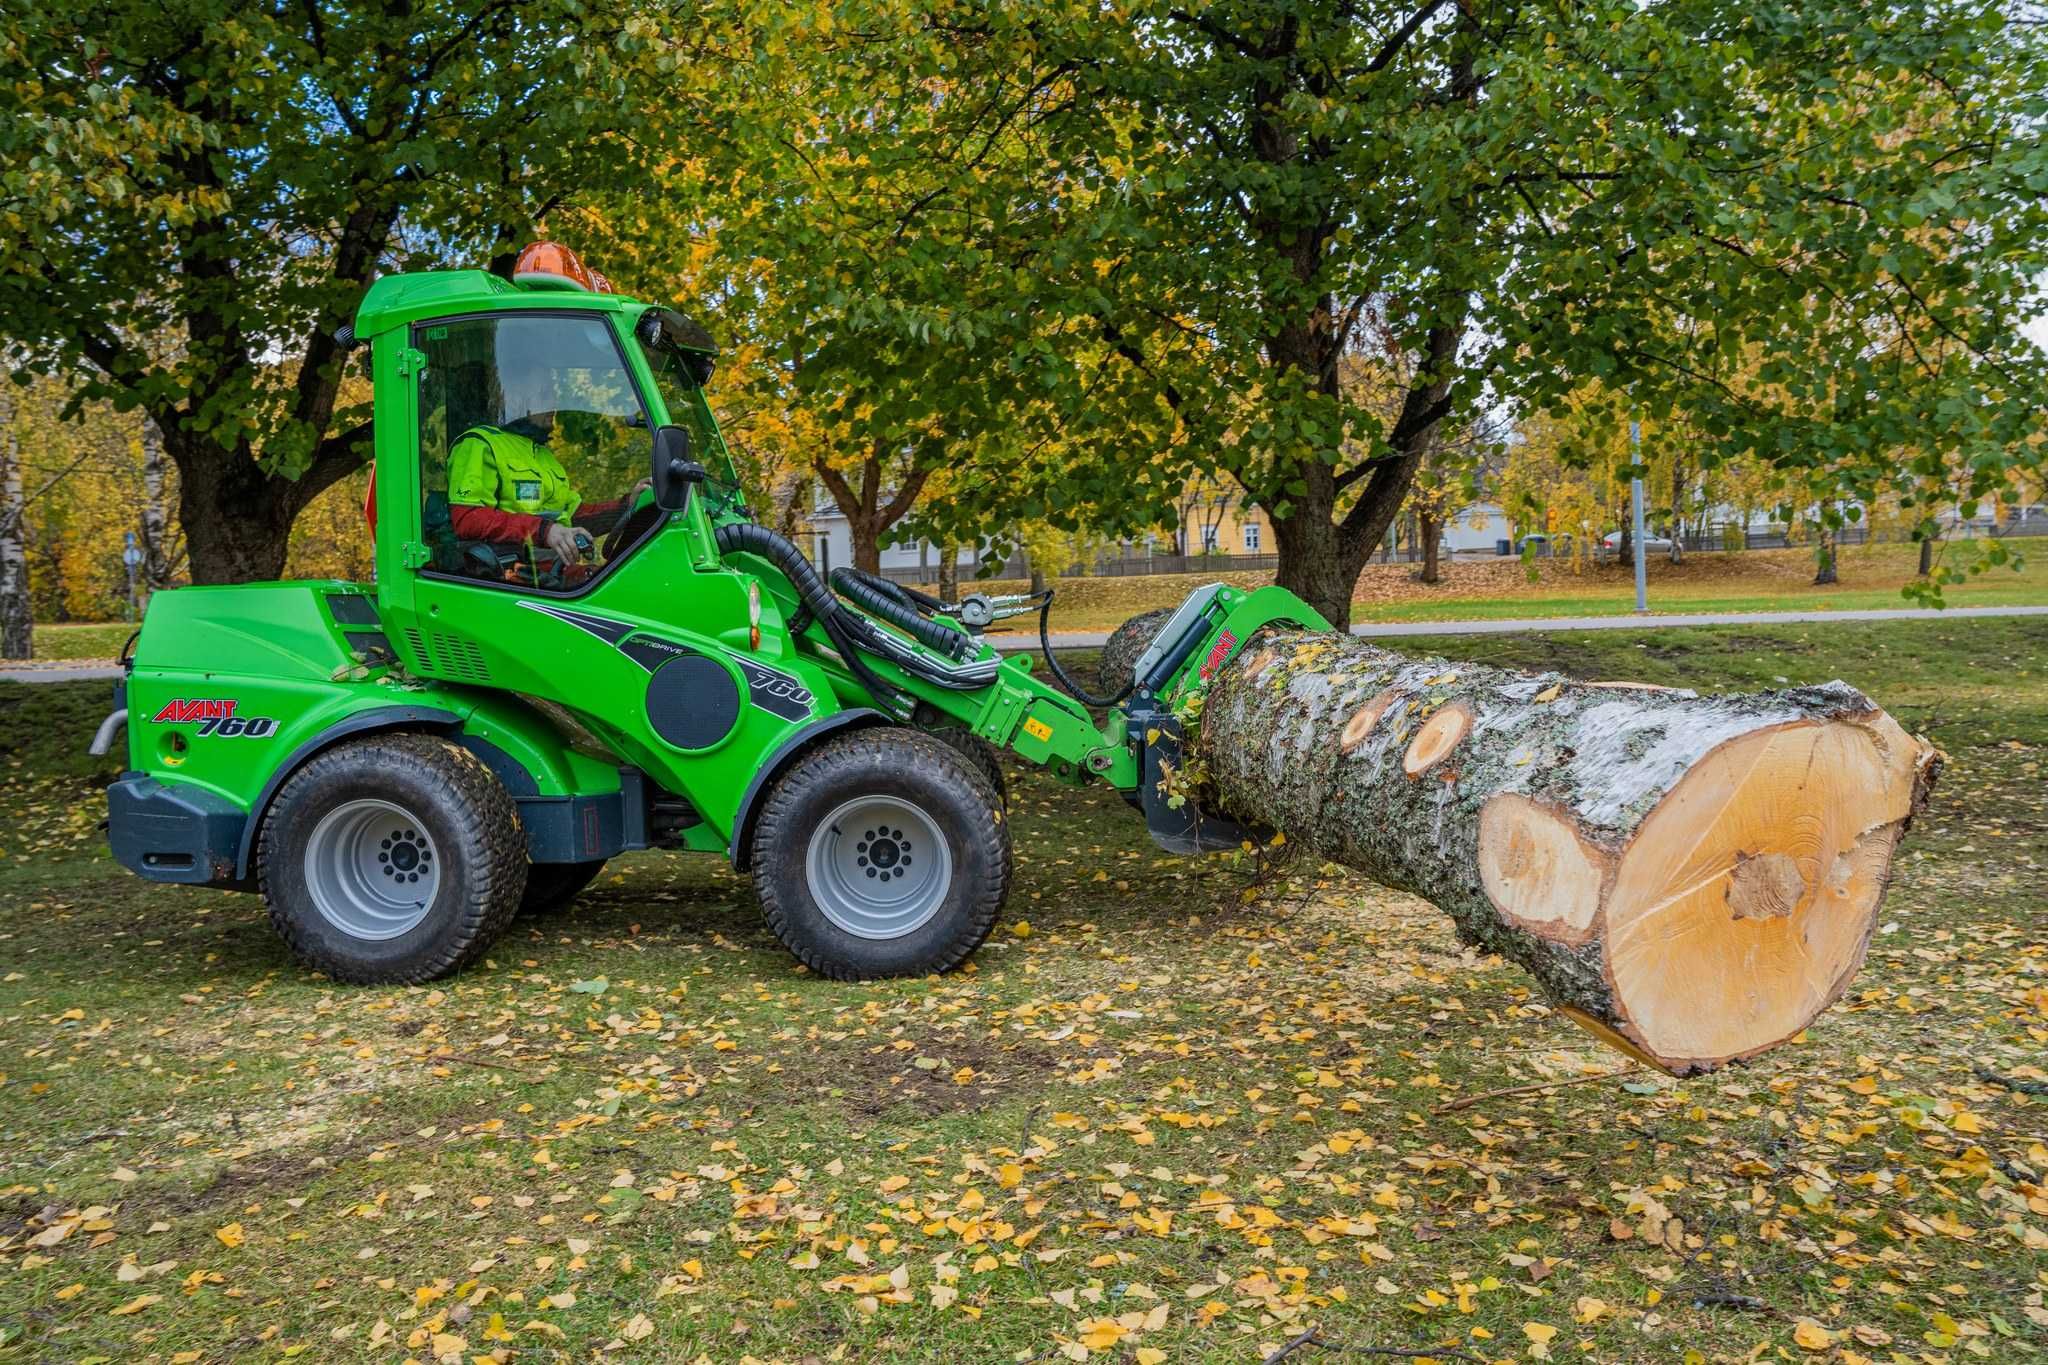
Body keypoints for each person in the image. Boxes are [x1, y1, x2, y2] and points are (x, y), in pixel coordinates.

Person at [446, 366, 648, 572]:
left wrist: (628, 504)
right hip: (508, 577)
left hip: (551, 572)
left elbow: (573, 515)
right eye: (544, 395)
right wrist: (544, 531)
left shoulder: (544, 456)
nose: (554, 404)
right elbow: (468, 518)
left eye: (554, 396)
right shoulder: (479, 444)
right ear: (516, 398)